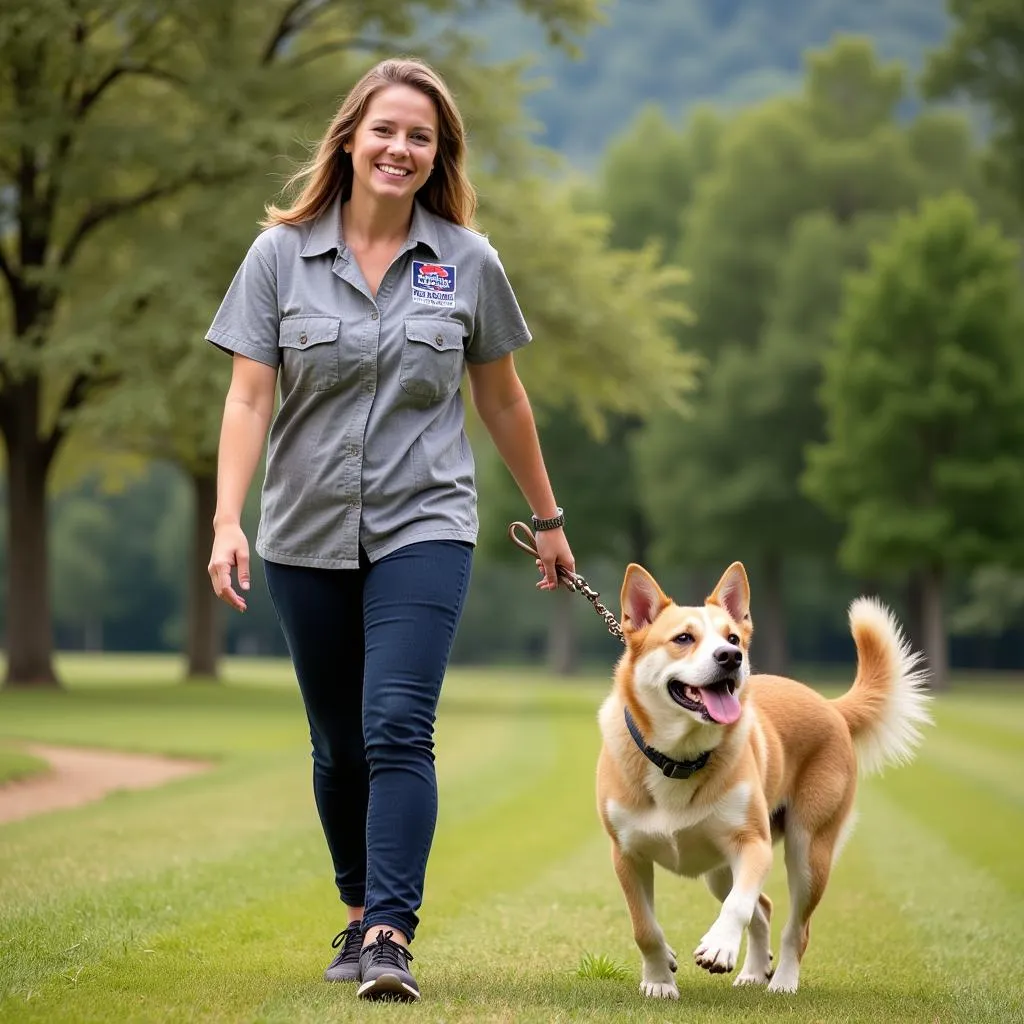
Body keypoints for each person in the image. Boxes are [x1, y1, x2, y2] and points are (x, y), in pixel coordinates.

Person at [205, 56, 574, 1003]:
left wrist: (548, 519)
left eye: (421, 136)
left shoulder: (467, 264)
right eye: (385, 130)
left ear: (437, 153)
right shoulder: (279, 257)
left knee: (399, 725)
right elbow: (249, 399)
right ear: (350, 138)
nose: (400, 148)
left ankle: (389, 934)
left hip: (427, 523)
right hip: (302, 533)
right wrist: (225, 519)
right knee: (339, 742)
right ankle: (359, 902)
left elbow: (502, 401)